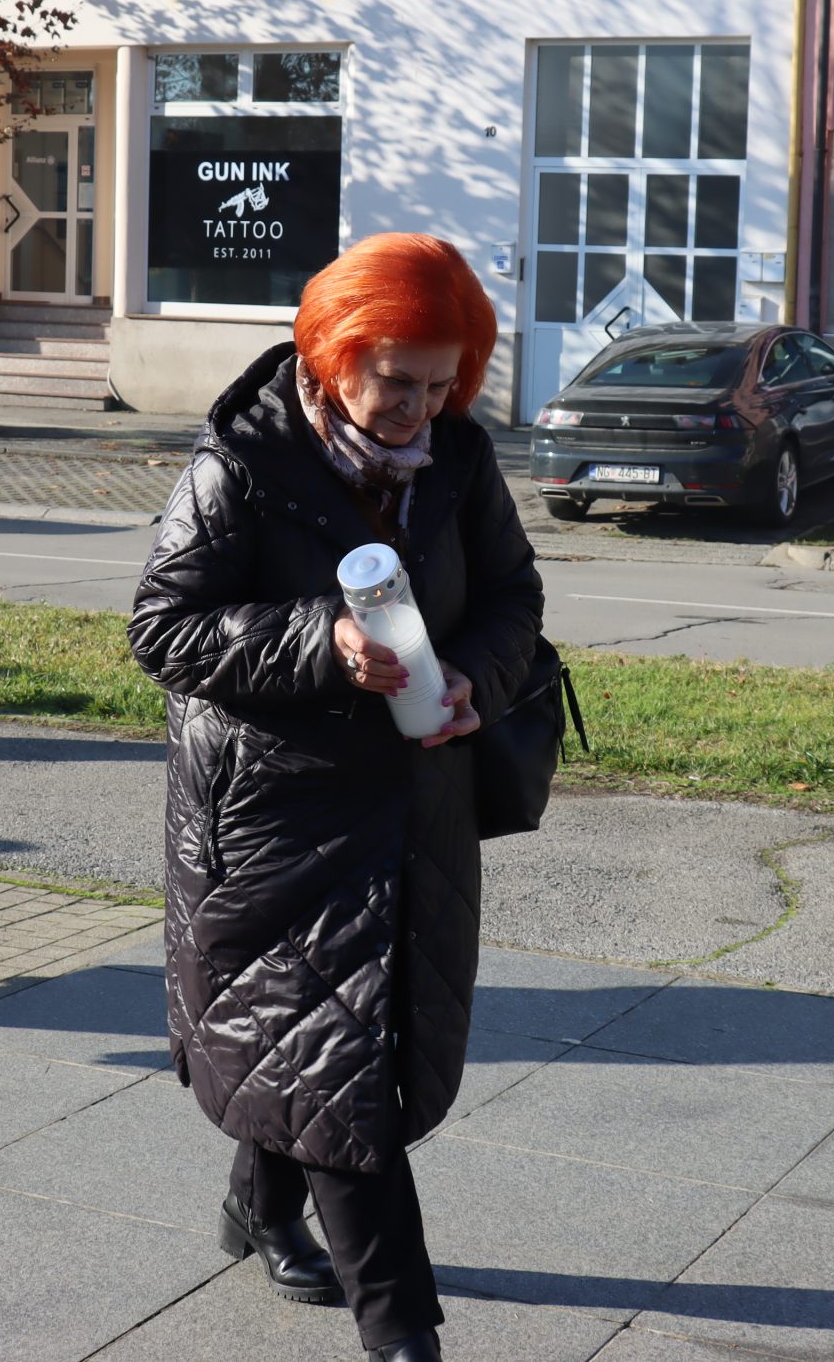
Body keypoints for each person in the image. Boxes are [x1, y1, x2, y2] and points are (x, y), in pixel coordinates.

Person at [130, 233, 544, 1362]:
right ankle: (402, 1334)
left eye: (442, 383)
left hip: (416, 803)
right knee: (333, 1062)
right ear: (330, 356)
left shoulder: (458, 458)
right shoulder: (241, 462)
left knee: (326, 1042)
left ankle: (257, 1208)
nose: (420, 408)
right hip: (272, 820)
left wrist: (475, 675)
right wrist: (325, 640)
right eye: (396, 380)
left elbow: (513, 597)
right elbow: (163, 629)